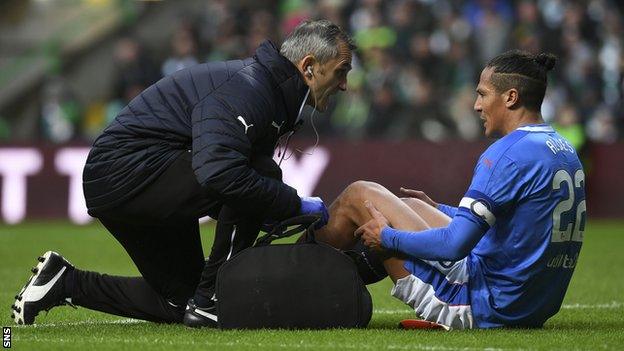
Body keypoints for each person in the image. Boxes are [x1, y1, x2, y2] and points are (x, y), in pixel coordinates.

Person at [11, 20, 355, 328]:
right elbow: (221, 173)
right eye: (341, 71)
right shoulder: (251, 88)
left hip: (128, 173)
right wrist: (291, 202)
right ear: (309, 67)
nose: (344, 85)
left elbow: (232, 187)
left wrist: (277, 208)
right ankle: (214, 299)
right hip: (125, 172)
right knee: (256, 174)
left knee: (180, 301)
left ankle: (66, 283)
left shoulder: (265, 90)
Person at [312, 50, 586, 329]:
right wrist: (439, 209)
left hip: (481, 304)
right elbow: (513, 224)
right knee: (415, 206)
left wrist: (388, 239)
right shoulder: (564, 149)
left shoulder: (507, 154)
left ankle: (293, 275)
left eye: (483, 94)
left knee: (359, 195)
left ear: (511, 97)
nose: (477, 105)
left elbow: (454, 246)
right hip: (529, 305)